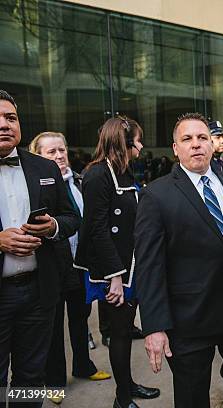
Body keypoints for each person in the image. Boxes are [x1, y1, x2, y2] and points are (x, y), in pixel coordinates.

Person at [135, 113, 223, 408]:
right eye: (186, 139)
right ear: (175, 148)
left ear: (213, 144)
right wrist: (154, 326)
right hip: (187, 318)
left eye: (202, 138)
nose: (196, 145)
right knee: (192, 397)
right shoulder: (156, 195)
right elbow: (149, 266)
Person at [0, 90, 80, 408]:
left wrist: (53, 227)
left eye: (11, 117)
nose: (5, 124)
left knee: (30, 377)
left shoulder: (44, 169)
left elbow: (71, 217)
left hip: (39, 294)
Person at [74, 117, 159, 408]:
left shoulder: (123, 171)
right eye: (138, 139)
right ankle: (122, 398)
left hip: (130, 266)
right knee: (120, 334)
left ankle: (128, 385)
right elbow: (96, 228)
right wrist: (115, 278)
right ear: (125, 142)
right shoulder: (97, 175)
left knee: (125, 331)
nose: (141, 146)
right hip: (113, 272)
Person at [29, 132, 111, 404]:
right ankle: (54, 382)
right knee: (53, 327)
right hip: (52, 267)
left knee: (80, 319)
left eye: (61, 150)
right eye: (51, 152)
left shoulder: (79, 181)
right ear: (38, 156)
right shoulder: (36, 186)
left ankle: (83, 365)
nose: (59, 156)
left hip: (80, 265)